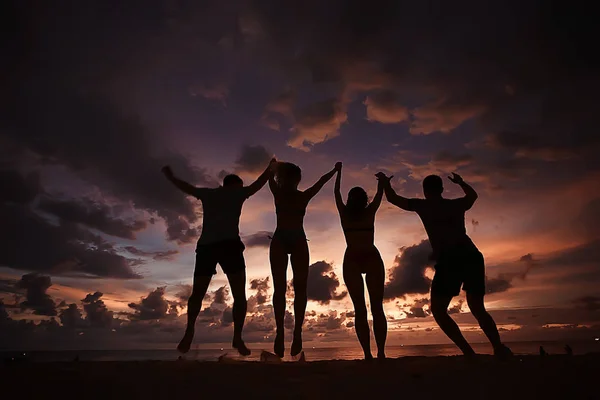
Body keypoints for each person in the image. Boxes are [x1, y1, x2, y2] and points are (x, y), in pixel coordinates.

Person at [378, 172, 512, 359]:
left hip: (451, 260)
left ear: (425, 191)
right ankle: (497, 347)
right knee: (477, 307)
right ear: (441, 189)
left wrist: (385, 183)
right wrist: (461, 182)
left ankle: (469, 352)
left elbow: (393, 199)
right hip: (470, 256)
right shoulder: (455, 204)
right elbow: (473, 197)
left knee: (439, 311)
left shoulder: (422, 205)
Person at [162, 158, 276, 356]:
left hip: (207, 246)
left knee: (197, 293)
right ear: (236, 185)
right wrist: (271, 167)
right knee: (239, 295)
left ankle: (189, 332)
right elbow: (259, 182)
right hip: (229, 246)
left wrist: (171, 177)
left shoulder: (208, 194)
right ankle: (237, 337)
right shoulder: (239, 192)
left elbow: (187, 187)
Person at [268, 161, 339, 357]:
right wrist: (272, 165)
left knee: (300, 288)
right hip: (281, 239)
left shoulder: (302, 196)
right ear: (284, 179)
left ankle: (297, 331)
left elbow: (321, 182)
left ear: (296, 180)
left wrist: (334, 170)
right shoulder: (278, 193)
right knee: (279, 288)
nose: (291, 181)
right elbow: (268, 176)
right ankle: (280, 332)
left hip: (298, 240)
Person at [334, 163, 387, 360]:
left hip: (371, 258)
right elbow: (337, 193)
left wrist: (382, 182)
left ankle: (379, 352)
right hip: (354, 260)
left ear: (362, 200)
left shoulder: (367, 212)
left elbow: (380, 194)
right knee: (361, 309)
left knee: (376, 307)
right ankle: (368, 354)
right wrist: (338, 172)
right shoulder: (347, 213)